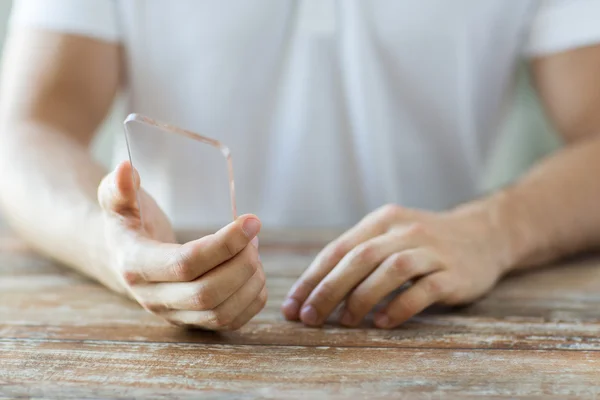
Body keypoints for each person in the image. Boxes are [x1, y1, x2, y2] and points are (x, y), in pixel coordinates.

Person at [1, 0, 600, 331]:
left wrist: (495, 230)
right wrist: (116, 249)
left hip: (426, 316)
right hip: (182, 340)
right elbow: (25, 132)